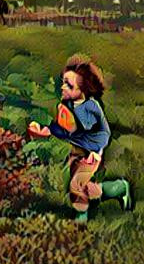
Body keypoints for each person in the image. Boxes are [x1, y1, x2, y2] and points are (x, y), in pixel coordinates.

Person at [27, 54, 132, 222]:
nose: (63, 87)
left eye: (69, 85)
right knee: (84, 187)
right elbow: (64, 129)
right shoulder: (68, 104)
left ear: (83, 90)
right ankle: (119, 188)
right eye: (63, 82)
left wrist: (96, 152)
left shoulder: (90, 108)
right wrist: (45, 130)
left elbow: (102, 134)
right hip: (77, 150)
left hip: (91, 152)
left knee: (76, 185)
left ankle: (80, 221)